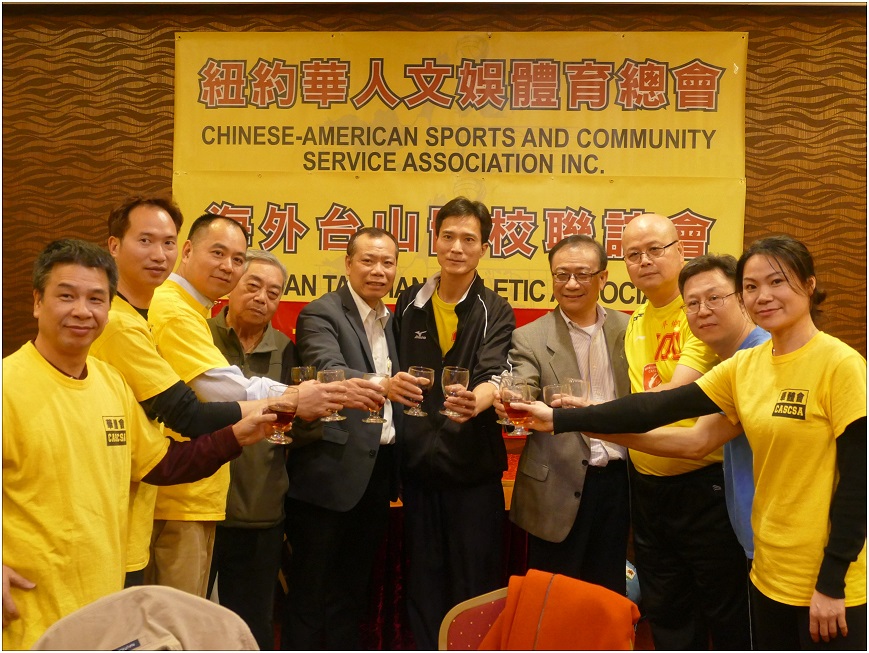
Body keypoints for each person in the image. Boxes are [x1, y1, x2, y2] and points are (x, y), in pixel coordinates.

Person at [515, 235, 867, 650]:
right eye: (752, 286)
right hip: (769, 569)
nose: (763, 296)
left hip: (831, 581)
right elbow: (657, 408)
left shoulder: (841, 365)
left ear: (809, 284)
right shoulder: (744, 365)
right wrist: (562, 419)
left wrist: (832, 581)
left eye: (777, 282)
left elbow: (859, 484)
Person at [1, 239, 276, 650]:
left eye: (97, 299)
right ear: (38, 302)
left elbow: (161, 464)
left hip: (104, 610)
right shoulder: (8, 386)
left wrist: (236, 436)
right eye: (66, 296)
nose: (83, 311)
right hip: (25, 614)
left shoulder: (111, 383)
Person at [145, 214, 344, 597]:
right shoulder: (175, 311)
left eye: (236, 259)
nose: (227, 267)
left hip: (231, 502)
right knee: (176, 618)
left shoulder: (279, 344)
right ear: (187, 250)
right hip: (179, 495)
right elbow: (216, 389)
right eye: (218, 253)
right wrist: (293, 398)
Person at [90, 196, 264, 589]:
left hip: (156, 495)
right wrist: (288, 403)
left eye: (166, 242)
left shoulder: (156, 312)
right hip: (165, 500)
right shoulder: (134, 320)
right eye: (145, 240)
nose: (159, 254)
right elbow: (190, 412)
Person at [619, 213, 749, 649]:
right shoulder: (635, 319)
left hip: (703, 487)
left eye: (655, 249)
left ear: (681, 250)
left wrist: (588, 419)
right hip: (647, 490)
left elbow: (670, 398)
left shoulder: (700, 315)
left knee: (724, 609)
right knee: (666, 609)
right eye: (633, 254)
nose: (645, 261)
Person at [391, 196, 515, 650]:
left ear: (484, 248)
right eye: (448, 236)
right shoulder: (409, 302)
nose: (457, 248)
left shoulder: (494, 308)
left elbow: (494, 374)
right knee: (423, 583)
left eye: (468, 239)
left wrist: (474, 402)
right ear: (435, 240)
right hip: (418, 471)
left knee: (474, 584)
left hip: (472, 472)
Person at [282, 227, 403, 650]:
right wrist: (385, 384)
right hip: (327, 473)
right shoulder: (321, 313)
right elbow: (327, 369)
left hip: (376, 472)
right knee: (310, 589)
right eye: (368, 260)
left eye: (387, 262)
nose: (378, 270)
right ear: (348, 264)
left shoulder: (391, 320)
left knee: (352, 590)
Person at [493, 235, 631, 594]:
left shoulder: (629, 329)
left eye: (582, 274)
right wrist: (513, 397)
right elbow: (523, 383)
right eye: (561, 274)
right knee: (552, 596)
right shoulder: (529, 337)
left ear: (603, 278)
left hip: (619, 483)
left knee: (607, 595)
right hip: (557, 483)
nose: (571, 284)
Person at [207, 249, 294, 650]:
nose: (262, 298)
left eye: (273, 293)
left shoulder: (287, 350)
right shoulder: (199, 336)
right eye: (253, 286)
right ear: (231, 286)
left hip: (260, 510)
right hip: (198, 507)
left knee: (252, 626)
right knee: (188, 620)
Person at [675, 253, 770, 562]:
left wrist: (585, 423)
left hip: (785, 544)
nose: (703, 311)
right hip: (757, 537)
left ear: (742, 299)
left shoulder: (762, 356)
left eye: (714, 298)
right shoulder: (731, 363)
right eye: (692, 303)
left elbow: (698, 441)